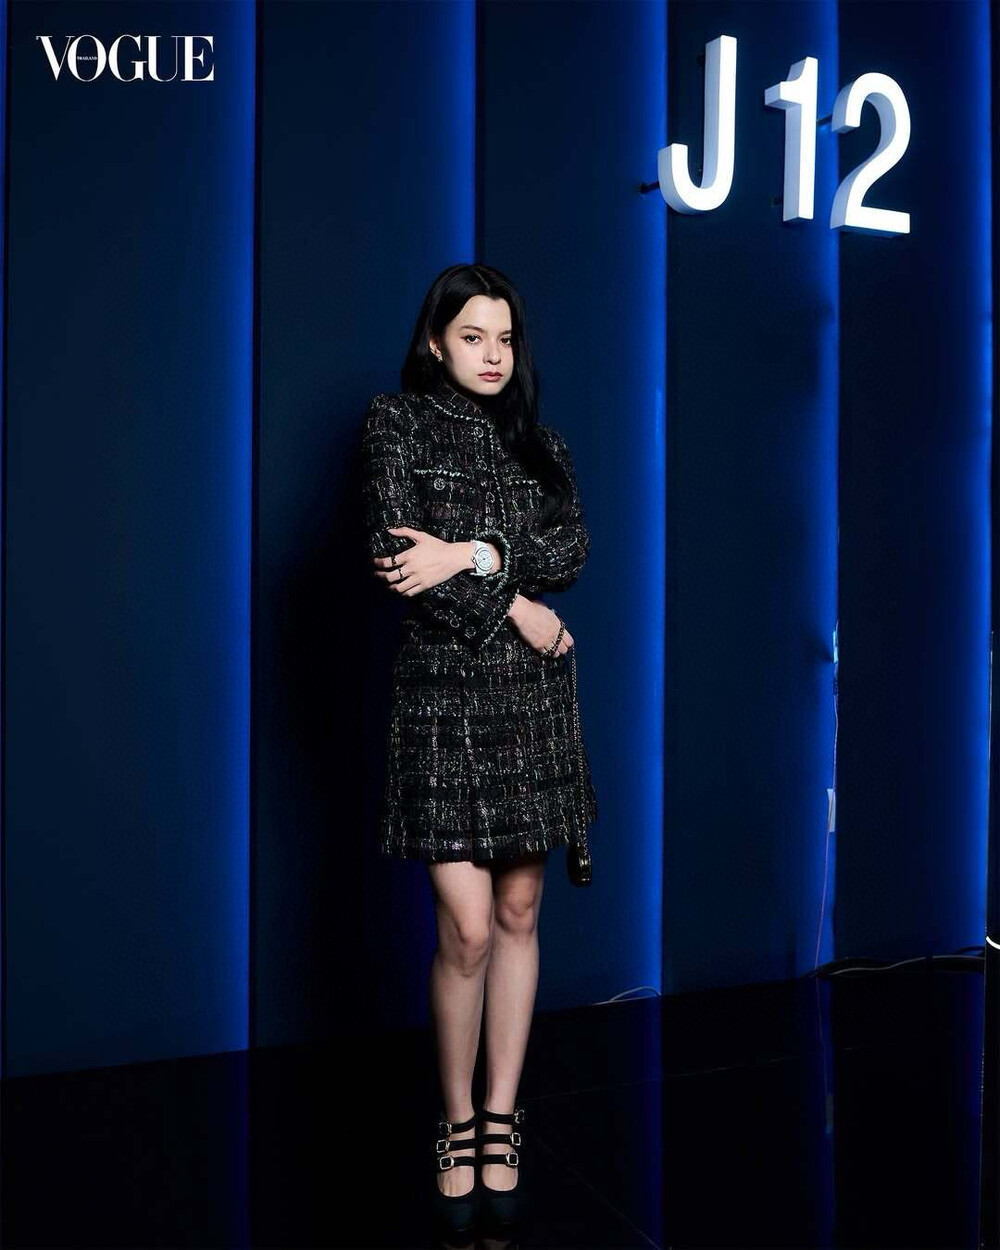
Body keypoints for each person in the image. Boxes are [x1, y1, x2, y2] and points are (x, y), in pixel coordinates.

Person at [359, 262, 598, 1235]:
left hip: (529, 703)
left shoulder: (540, 442)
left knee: (519, 909)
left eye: (504, 338)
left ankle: (501, 1116)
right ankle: (455, 1118)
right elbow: (395, 559)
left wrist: (472, 553)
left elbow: (570, 549)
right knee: (463, 927)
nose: (493, 354)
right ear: (435, 341)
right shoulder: (396, 423)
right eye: (473, 336)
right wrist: (518, 608)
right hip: (441, 699)